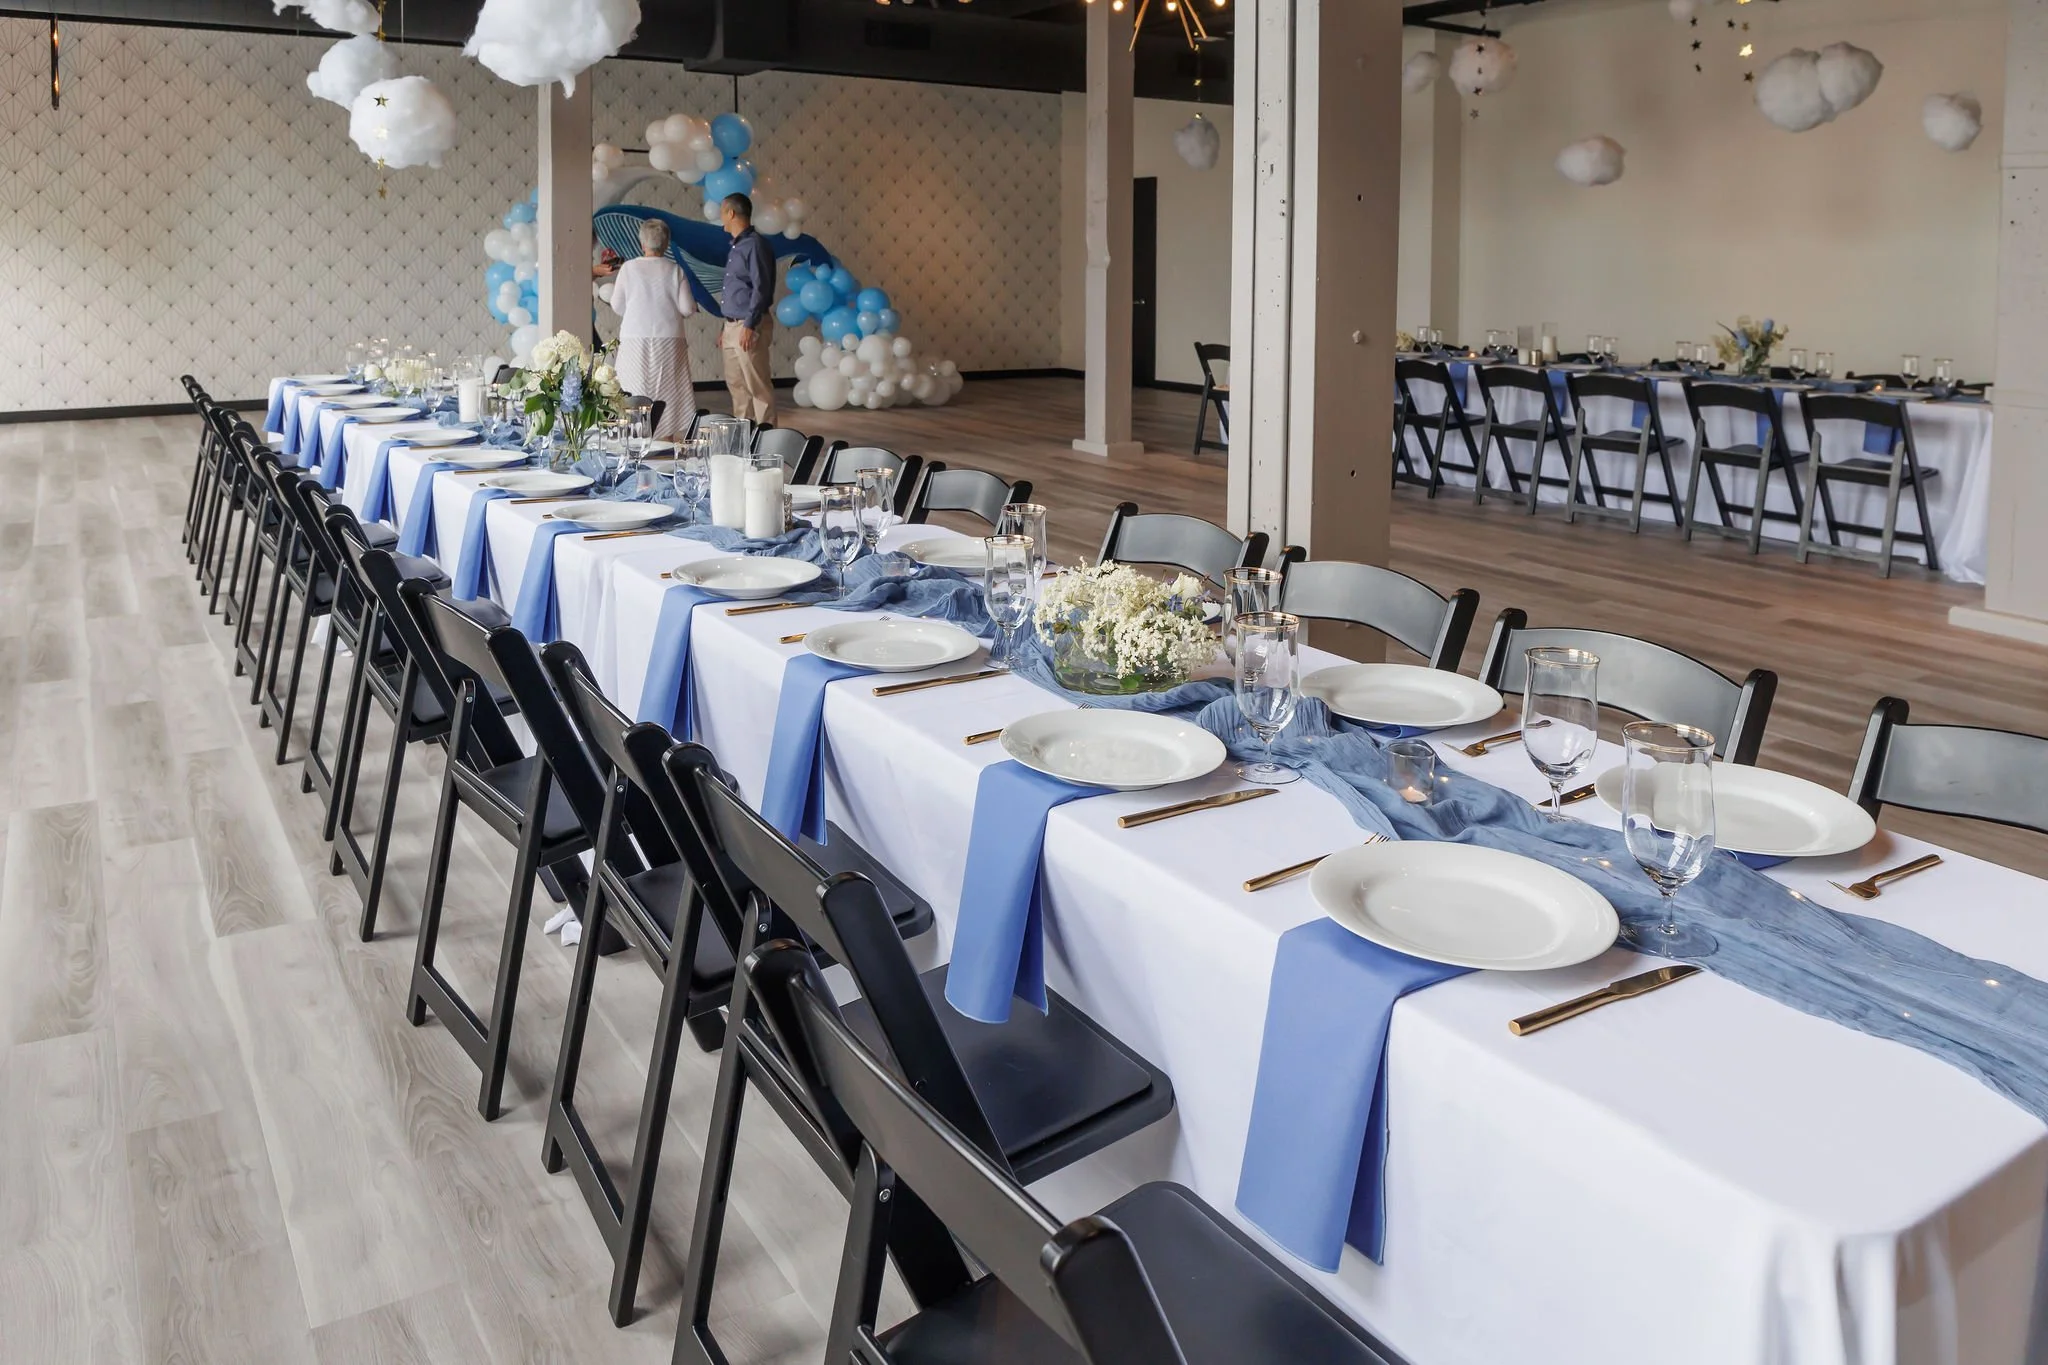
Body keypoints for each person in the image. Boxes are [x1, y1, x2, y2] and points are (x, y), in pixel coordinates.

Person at [600, 218, 697, 439]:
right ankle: (665, 440)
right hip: (669, 340)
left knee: (634, 388)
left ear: (642, 243)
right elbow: (686, 307)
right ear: (666, 243)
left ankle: (635, 439)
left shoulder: (628, 268)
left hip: (635, 339)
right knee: (668, 393)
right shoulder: (675, 270)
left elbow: (616, 305)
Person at [718, 192, 777, 425]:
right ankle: (743, 440)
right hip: (732, 325)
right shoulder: (737, 247)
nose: (721, 217)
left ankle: (768, 440)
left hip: (748, 324)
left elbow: (762, 287)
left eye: (722, 212)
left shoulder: (755, 245)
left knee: (758, 386)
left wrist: (750, 324)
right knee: (737, 386)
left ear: (731, 213)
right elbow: (738, 290)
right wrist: (726, 327)